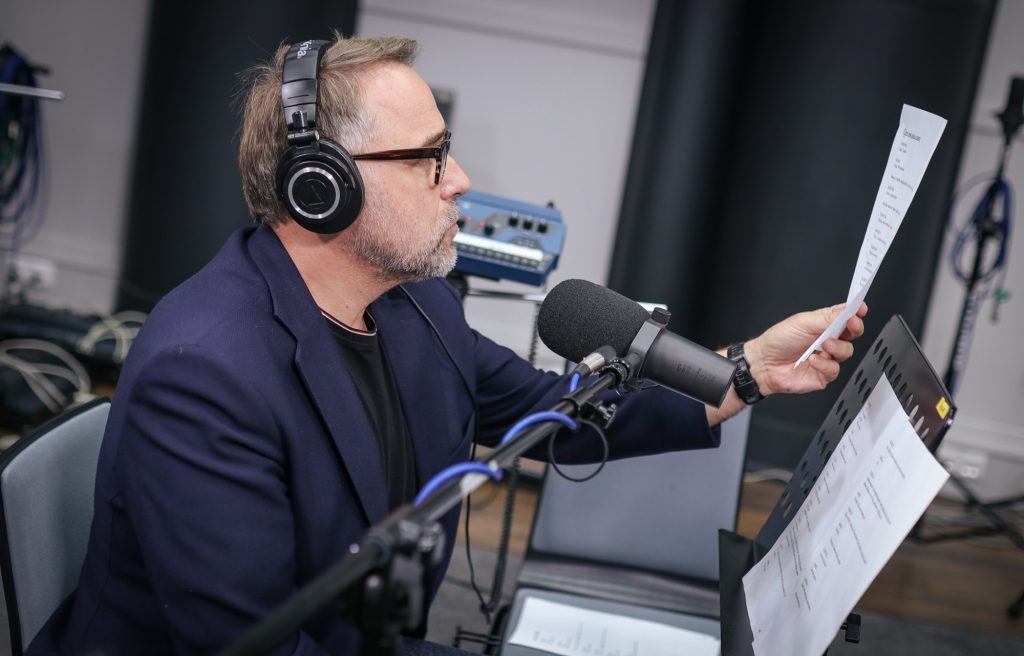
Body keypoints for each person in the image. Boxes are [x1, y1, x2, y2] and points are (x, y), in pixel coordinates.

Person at [28, 34, 866, 656]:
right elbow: (253, 645)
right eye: (429, 158)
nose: (459, 180)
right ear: (321, 188)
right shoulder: (205, 373)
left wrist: (748, 370)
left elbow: (557, 414)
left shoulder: (416, 304)